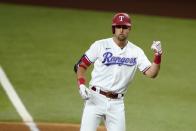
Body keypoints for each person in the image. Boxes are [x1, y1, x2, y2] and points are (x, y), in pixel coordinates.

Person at [74, 12, 162, 131]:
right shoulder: (100, 45)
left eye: (124, 27)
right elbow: (81, 66)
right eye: (118, 27)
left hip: (117, 103)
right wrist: (81, 84)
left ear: (129, 29)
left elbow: (152, 73)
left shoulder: (136, 51)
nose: (121, 30)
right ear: (113, 29)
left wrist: (158, 56)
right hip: (95, 98)